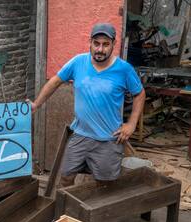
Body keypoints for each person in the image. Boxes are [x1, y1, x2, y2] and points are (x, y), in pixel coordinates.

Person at [30, 23, 145, 188]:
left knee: (104, 185)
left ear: (113, 44)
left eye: (105, 44)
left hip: (108, 139)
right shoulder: (78, 62)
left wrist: (131, 124)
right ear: (89, 42)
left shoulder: (124, 69)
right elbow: (55, 81)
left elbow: (140, 93)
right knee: (66, 178)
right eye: (96, 43)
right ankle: (68, 212)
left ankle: (97, 213)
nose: (100, 49)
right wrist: (36, 104)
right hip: (80, 135)